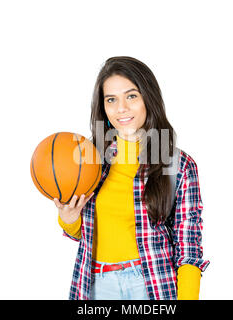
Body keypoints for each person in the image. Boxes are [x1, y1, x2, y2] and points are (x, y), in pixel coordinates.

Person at [53, 56, 209, 300]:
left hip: (150, 286)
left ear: (149, 98)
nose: (121, 108)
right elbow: (82, 233)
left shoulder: (178, 165)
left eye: (131, 96)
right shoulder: (90, 160)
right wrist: (68, 219)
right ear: (103, 108)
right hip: (95, 285)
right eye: (111, 99)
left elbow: (188, 248)